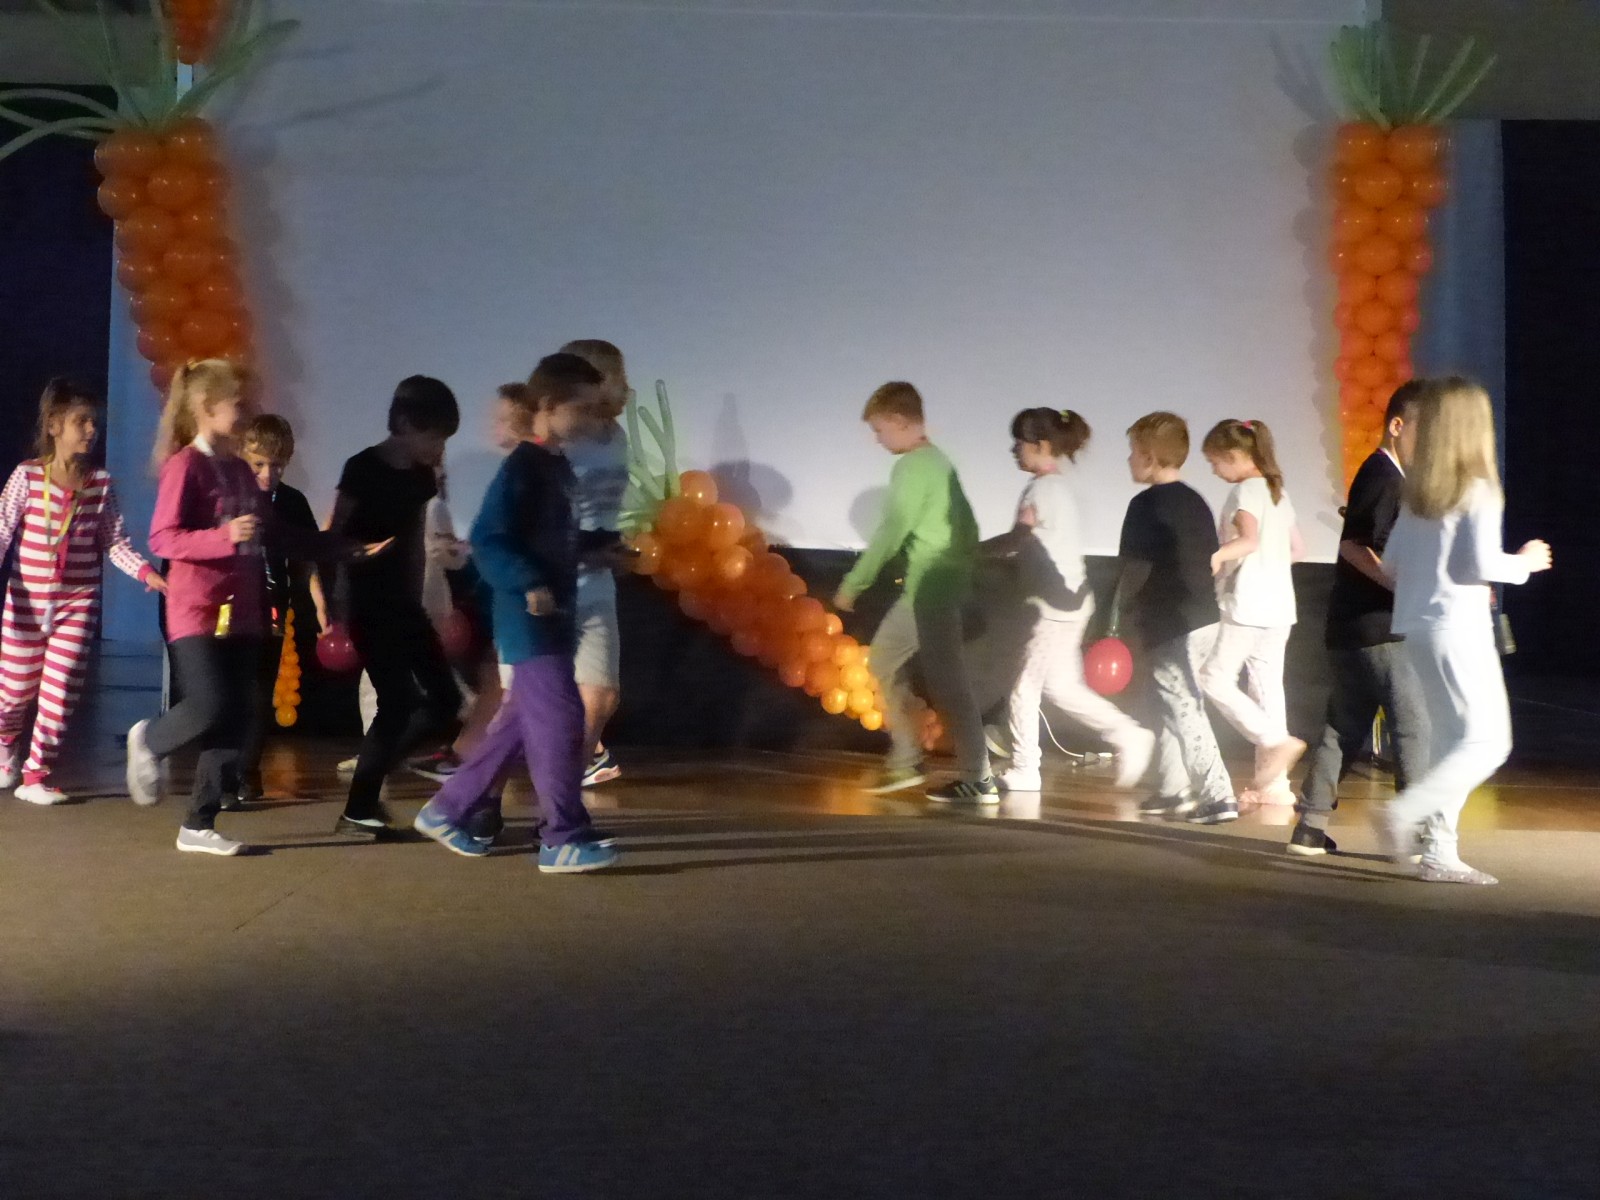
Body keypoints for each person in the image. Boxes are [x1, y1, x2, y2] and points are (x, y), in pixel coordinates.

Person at [126, 360, 378, 854]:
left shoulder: (240, 472)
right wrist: (223, 536)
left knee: (239, 714)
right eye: (239, 404)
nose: (248, 412)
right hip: (196, 608)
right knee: (208, 704)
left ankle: (198, 823)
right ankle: (149, 740)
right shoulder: (186, 465)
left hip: (243, 612)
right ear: (207, 408)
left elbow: (279, 536)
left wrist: (344, 548)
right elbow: (163, 537)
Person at [412, 353, 620, 872]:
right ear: (548, 406)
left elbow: (552, 539)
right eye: (583, 408)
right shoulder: (525, 466)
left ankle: (447, 810)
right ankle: (562, 836)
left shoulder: (556, 467)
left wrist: (599, 547)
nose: (592, 420)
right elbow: (489, 537)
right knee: (560, 723)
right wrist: (528, 582)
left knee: (516, 729)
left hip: (552, 617)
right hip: (528, 621)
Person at [1377, 377, 1551, 884]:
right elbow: (1481, 563)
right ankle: (1405, 814)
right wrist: (1525, 563)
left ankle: (1439, 851)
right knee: (1488, 742)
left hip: (1416, 628)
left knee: (1449, 741)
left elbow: (1391, 565)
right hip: (1457, 627)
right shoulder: (1477, 489)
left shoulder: (1418, 494)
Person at [0, 378, 165, 805]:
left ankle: (36, 775)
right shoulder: (28, 476)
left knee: (59, 693)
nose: (92, 430)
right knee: (13, 694)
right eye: (82, 421)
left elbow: (114, 540)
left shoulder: (100, 484)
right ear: (54, 425)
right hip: (26, 604)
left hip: (77, 603)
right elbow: (2, 529)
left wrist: (146, 572)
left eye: (95, 422)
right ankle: (6, 743)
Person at [834, 382, 995, 803]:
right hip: (933, 588)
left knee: (949, 684)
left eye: (879, 429)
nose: (877, 439)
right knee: (884, 659)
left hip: (931, 590)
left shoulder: (912, 466)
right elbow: (969, 528)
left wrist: (854, 583)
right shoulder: (940, 463)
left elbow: (892, 530)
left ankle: (977, 776)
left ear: (900, 421)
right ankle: (908, 759)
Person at [1289, 382, 1430, 857]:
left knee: (1342, 727)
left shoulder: (1382, 475)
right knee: (1412, 726)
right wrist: (1405, 588)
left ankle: (1310, 827)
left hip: (1351, 628)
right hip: (1380, 629)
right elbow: (1355, 546)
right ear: (1397, 426)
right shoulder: (1384, 475)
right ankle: (1415, 833)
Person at [987, 407, 1154, 793]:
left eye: (1020, 442)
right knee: (1062, 687)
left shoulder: (1042, 490)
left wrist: (965, 552)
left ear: (1041, 445)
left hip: (1055, 606)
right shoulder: (1055, 488)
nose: (1014, 450)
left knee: (1025, 688)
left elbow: (1018, 539)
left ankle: (1026, 768)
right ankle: (1129, 734)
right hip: (1071, 602)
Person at [329, 375, 464, 838]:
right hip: (366, 601)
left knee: (446, 699)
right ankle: (359, 806)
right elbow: (336, 534)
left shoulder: (422, 477)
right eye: (434, 438)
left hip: (404, 602)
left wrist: (415, 598)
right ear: (405, 424)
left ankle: (374, 773)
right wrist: (338, 597)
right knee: (396, 700)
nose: (438, 449)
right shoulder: (362, 467)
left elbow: (412, 541)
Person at [1114, 412, 1236, 824]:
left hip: (1172, 621)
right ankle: (1173, 788)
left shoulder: (1144, 505)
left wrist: (1115, 613)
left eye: (1133, 452)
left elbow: (1135, 567)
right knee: (1167, 701)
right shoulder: (1195, 501)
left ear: (1149, 457)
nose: (1129, 460)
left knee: (1183, 706)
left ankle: (1218, 795)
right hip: (1204, 616)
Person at [1197, 419, 1306, 803]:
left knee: (1213, 677)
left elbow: (1248, 540)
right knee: (1266, 689)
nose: (1214, 471)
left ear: (1233, 455)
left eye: (1215, 462)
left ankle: (1275, 740)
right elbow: (1298, 550)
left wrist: (1217, 557)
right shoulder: (1278, 492)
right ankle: (1275, 787)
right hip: (1279, 605)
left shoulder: (1244, 490)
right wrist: (1269, 568)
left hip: (1247, 603)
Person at [229, 414, 323, 806]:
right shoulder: (228, 497)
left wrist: (321, 607)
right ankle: (225, 772)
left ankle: (247, 773)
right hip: (230, 610)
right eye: (259, 465)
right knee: (230, 693)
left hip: (272, 611)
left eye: (277, 465)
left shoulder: (292, 502)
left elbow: (308, 558)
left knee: (260, 694)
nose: (268, 474)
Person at [558, 339, 632, 788]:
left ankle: (565, 787)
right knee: (523, 702)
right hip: (555, 580)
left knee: (602, 695)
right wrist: (584, 550)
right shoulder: (559, 443)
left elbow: (604, 508)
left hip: (598, 577)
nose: (627, 388)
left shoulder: (617, 438)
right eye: (619, 377)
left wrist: (614, 547)